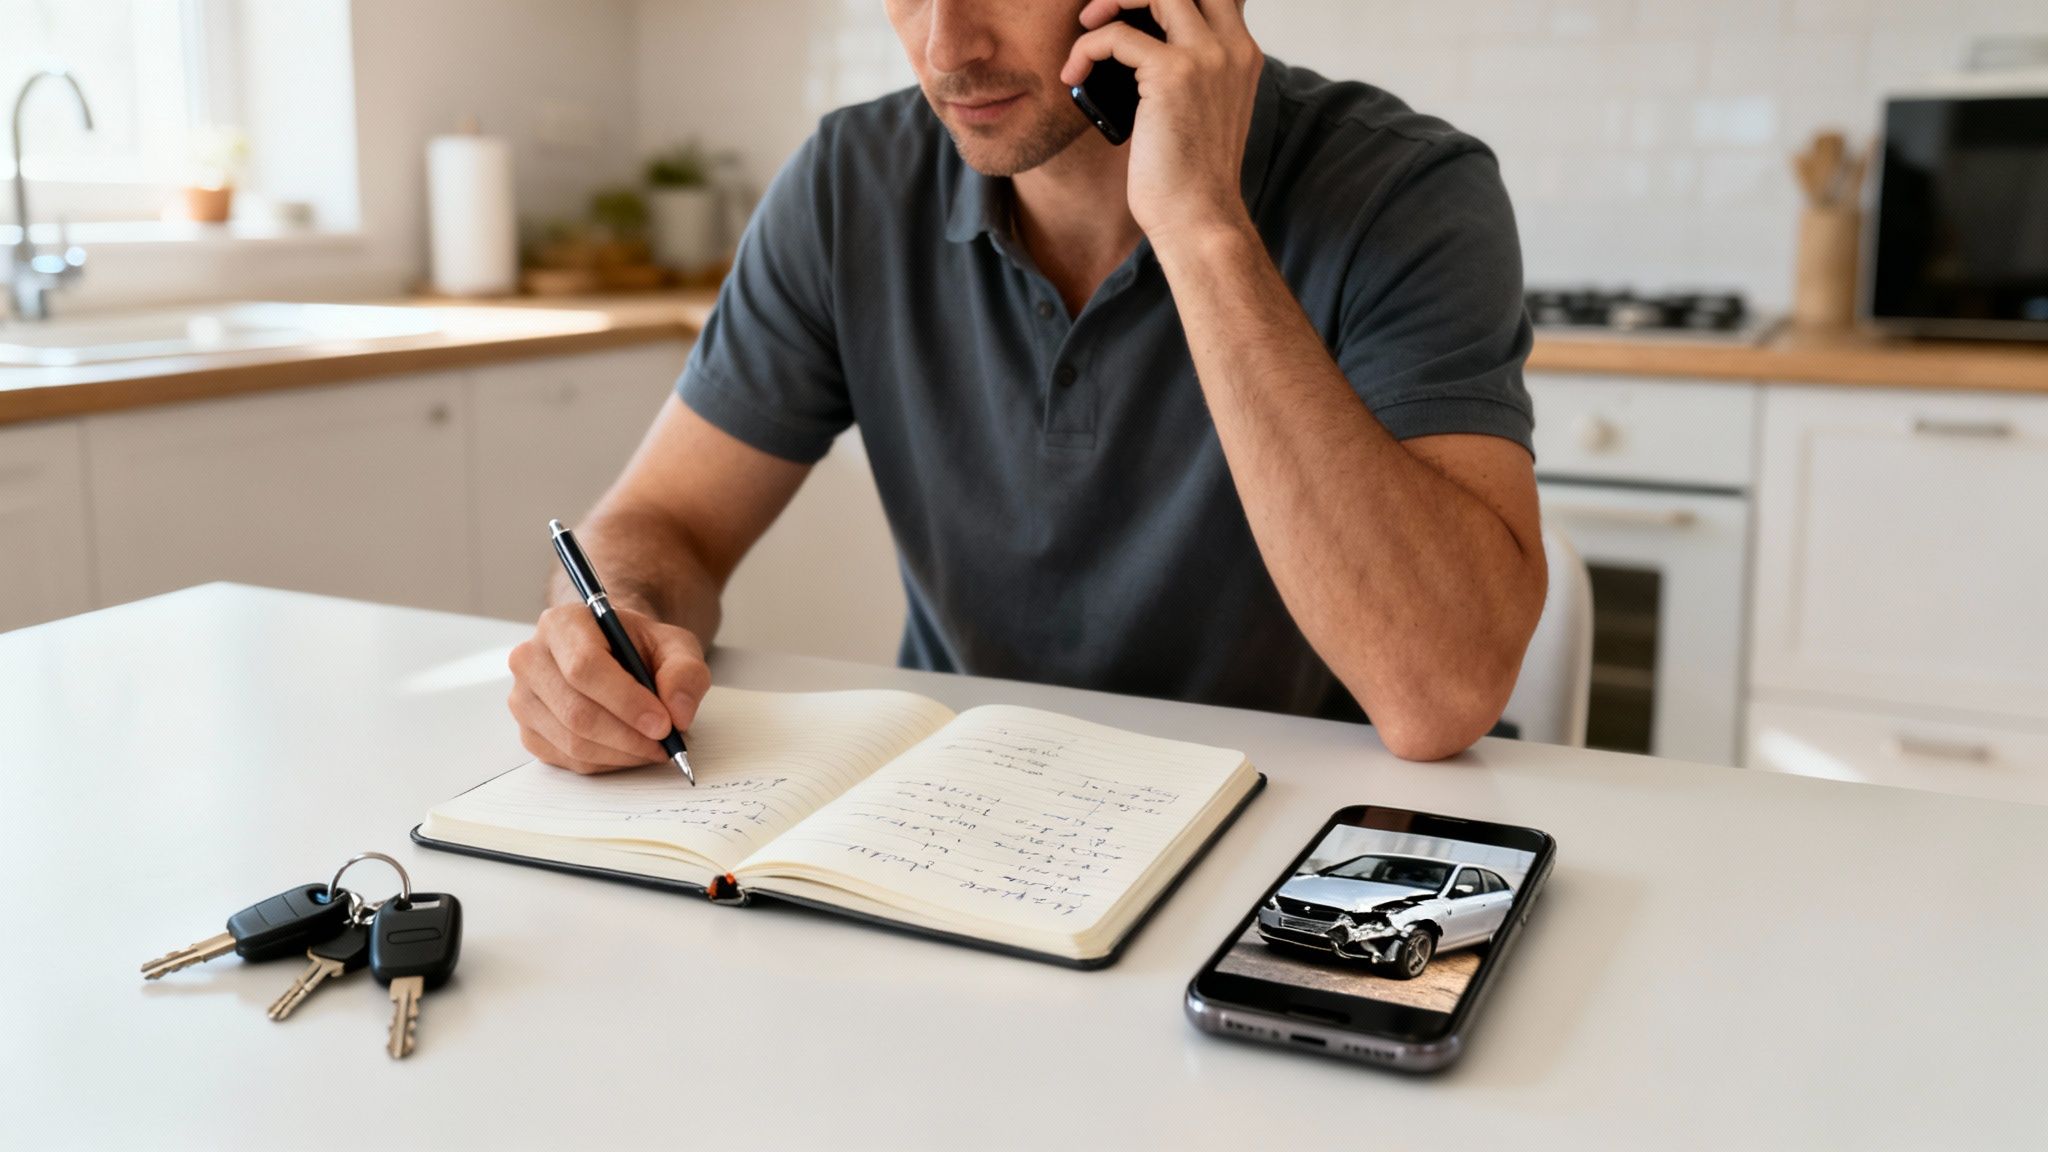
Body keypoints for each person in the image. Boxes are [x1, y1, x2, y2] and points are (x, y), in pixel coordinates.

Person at [506, 0, 1547, 772]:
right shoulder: (849, 182)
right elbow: (664, 521)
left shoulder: (1405, 190)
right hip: (973, 805)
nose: (945, 49)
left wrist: (1202, 230)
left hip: (1303, 819)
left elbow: (1437, 694)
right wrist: (614, 625)